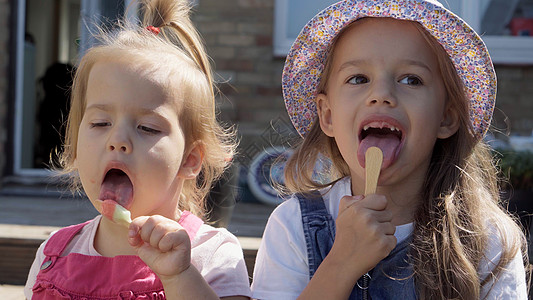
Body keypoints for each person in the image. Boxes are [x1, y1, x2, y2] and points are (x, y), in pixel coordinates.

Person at [251, 0, 528, 299]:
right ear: (328, 115)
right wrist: (341, 264)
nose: (381, 94)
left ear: (446, 117)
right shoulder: (292, 227)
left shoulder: (487, 240)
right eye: (358, 78)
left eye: (412, 80)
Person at [24, 0, 251, 299]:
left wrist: (180, 276)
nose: (117, 140)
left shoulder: (211, 253)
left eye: (147, 128)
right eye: (100, 122)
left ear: (190, 159)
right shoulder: (53, 254)